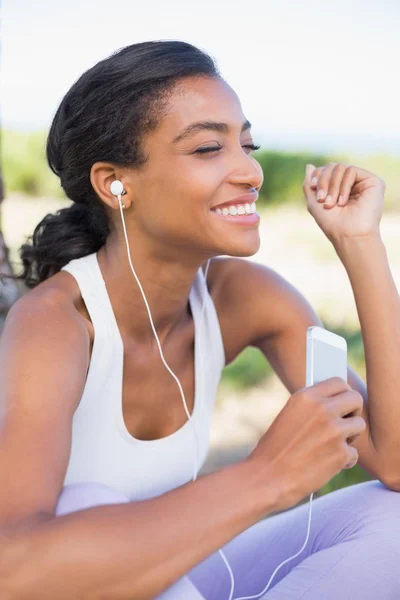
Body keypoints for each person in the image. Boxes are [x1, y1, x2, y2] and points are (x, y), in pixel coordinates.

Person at [0, 40, 399, 600]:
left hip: (180, 575)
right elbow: (12, 568)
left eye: (248, 144)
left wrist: (361, 244)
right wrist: (266, 476)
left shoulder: (244, 296)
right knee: (85, 505)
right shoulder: (57, 323)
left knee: (392, 517)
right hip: (73, 583)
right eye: (209, 148)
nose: (251, 171)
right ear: (116, 182)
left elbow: (395, 461)